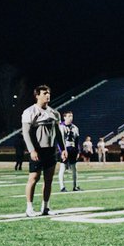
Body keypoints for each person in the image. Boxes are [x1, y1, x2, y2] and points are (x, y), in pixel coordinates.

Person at [21, 85, 67, 217]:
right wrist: (32, 150)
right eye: (45, 93)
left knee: (48, 180)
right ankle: (29, 207)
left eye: (49, 93)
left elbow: (58, 133)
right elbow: (26, 133)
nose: (48, 95)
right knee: (33, 178)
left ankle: (45, 207)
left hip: (51, 150)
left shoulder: (54, 113)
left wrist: (62, 148)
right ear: (37, 95)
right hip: (38, 150)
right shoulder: (29, 112)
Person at [58, 111, 81, 192]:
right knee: (63, 168)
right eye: (69, 116)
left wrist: (78, 151)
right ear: (64, 117)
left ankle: (75, 186)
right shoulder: (61, 127)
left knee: (74, 168)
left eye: (71, 116)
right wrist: (62, 151)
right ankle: (62, 187)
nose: (71, 117)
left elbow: (77, 141)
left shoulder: (75, 127)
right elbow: (60, 140)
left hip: (73, 149)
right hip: (65, 148)